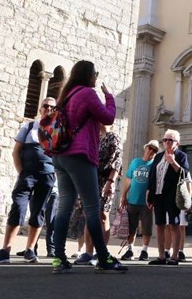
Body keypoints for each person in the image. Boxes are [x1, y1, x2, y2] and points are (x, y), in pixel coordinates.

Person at [49, 60, 126, 274]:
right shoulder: (87, 94)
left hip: (60, 156)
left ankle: (59, 258)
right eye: (96, 73)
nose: (96, 77)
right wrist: (109, 96)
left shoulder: (66, 95)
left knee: (64, 207)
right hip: (80, 156)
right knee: (93, 208)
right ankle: (103, 258)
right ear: (89, 74)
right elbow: (108, 116)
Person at [0, 98, 57, 264]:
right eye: (45, 106)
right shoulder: (28, 127)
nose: (48, 108)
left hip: (47, 175)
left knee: (39, 211)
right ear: (40, 108)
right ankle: (5, 250)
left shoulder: (57, 130)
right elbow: (16, 152)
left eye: (52, 107)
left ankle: (30, 250)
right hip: (27, 174)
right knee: (18, 207)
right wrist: (22, 173)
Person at [72, 124, 122, 265]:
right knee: (89, 214)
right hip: (91, 178)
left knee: (102, 215)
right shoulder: (95, 137)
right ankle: (88, 252)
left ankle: (101, 252)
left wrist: (111, 182)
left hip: (105, 180)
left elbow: (117, 163)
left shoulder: (114, 138)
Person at [147, 129, 190, 265]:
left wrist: (173, 162)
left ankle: (175, 256)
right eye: (165, 140)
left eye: (170, 140)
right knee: (159, 225)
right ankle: (161, 256)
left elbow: (184, 174)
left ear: (177, 143)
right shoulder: (158, 156)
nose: (167, 143)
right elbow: (152, 175)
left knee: (174, 225)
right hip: (158, 195)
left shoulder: (181, 156)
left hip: (172, 195)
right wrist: (149, 192)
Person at [120, 140, 160, 261]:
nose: (151, 151)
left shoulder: (155, 165)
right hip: (132, 200)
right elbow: (128, 179)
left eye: (155, 150)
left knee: (146, 228)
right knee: (131, 228)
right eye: (150, 148)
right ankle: (130, 249)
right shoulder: (135, 162)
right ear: (145, 148)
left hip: (146, 203)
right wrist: (123, 196)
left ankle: (144, 250)